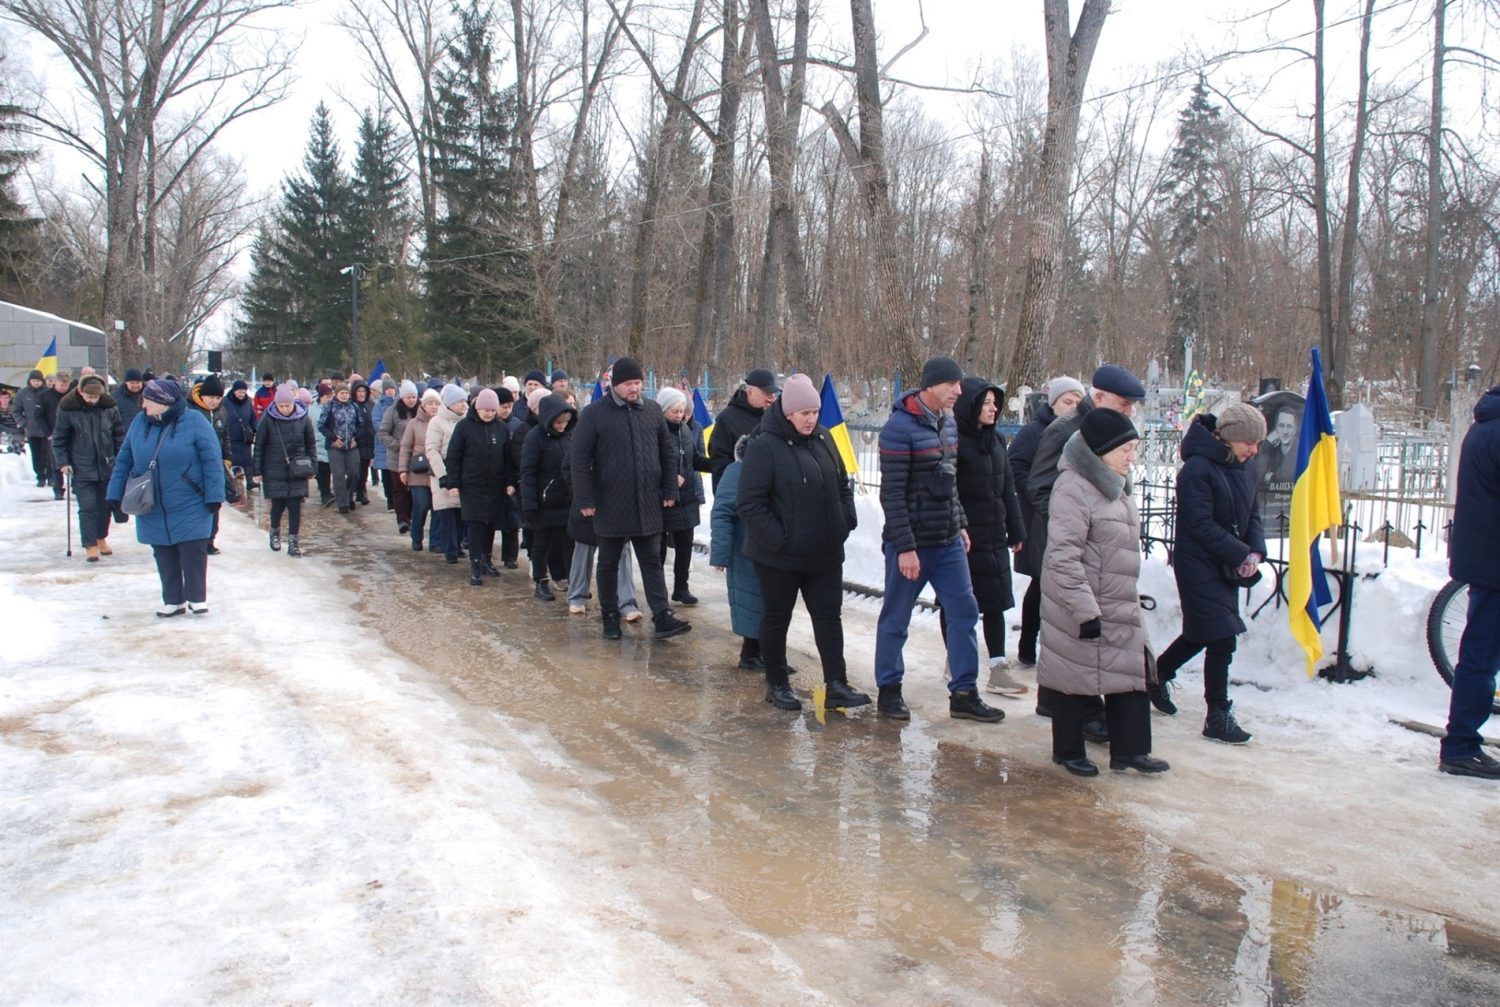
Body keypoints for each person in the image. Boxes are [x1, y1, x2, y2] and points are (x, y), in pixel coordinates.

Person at [872, 356, 1004, 724]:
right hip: (912, 544)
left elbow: (949, 480)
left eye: (960, 384)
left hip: (947, 542)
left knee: (964, 612)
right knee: (896, 617)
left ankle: (964, 693)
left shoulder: (948, 423)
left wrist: (959, 523)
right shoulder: (898, 429)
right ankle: (889, 689)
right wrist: (905, 548)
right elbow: (891, 494)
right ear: (931, 385)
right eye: (952, 384)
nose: (959, 391)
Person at [1040, 408, 1167, 777]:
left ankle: (1132, 750)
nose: (1132, 457)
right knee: (1074, 676)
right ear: (1101, 450)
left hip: (1117, 597)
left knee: (1128, 672)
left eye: (1134, 449)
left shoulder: (1116, 484)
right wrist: (1084, 609)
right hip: (1081, 601)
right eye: (1126, 449)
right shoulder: (1073, 487)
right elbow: (1063, 556)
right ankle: (1067, 751)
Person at [1027, 364, 1147, 740]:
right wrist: (1078, 522)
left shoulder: (1116, 434)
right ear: (1100, 397)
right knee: (1071, 637)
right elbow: (1039, 484)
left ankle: (1085, 712)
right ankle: (1073, 712)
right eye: (1123, 403)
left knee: (1095, 641)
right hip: (1071, 542)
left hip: (1101, 548)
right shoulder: (1066, 430)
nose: (1129, 411)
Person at [738, 374, 869, 712]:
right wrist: (780, 541)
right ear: (788, 413)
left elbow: (842, 483)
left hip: (825, 552)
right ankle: (778, 685)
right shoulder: (764, 446)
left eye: (815, 412)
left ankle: (836, 684)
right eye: (804, 413)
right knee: (777, 619)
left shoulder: (824, 437)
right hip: (779, 558)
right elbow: (750, 504)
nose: (811, 419)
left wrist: (845, 520)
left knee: (828, 618)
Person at [1150, 405, 1268, 744]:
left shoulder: (1247, 467)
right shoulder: (1197, 469)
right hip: (1198, 563)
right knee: (1221, 636)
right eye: (1248, 442)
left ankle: (1157, 674)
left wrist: (1254, 551)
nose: (1253, 450)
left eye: (1257, 443)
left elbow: (1252, 513)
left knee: (1203, 631)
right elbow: (1200, 525)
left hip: (1227, 563)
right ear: (1228, 438)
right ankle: (1217, 714)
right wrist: (1239, 552)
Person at [570, 356, 691, 640]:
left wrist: (670, 489)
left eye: (637, 382)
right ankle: (610, 617)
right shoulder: (594, 413)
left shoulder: (652, 410)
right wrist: (585, 499)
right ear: (615, 385)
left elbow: (667, 452)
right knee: (608, 563)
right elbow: (579, 458)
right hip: (610, 502)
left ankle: (662, 616)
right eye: (628, 384)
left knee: (651, 561)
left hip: (647, 501)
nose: (634, 388)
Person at [106, 378, 226, 617]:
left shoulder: (195, 421)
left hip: (189, 498)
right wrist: (115, 493)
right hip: (151, 499)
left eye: (148, 401)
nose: (143, 405)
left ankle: (197, 598)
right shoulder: (139, 423)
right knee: (162, 550)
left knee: (193, 548)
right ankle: (173, 600)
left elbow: (212, 460)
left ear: (164, 402)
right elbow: (124, 459)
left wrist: (215, 496)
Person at [950, 377, 1028, 696]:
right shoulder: (953, 440)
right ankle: (955, 658)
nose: (993, 408)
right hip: (964, 538)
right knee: (957, 604)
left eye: (995, 403)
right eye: (986, 403)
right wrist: (956, 526)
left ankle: (998, 668)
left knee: (996, 602)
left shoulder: (996, 441)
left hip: (994, 535)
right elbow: (948, 490)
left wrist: (1016, 527)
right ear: (969, 406)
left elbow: (1007, 488)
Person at [1440, 383, 1500, 779]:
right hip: (1493, 563)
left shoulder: (1486, 424)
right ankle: (1461, 746)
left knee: (1481, 655)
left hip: (1485, 557)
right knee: (1481, 658)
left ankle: (1462, 743)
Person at [1010, 377, 1085, 666]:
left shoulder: (1082, 431)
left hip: (1070, 516)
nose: (1073, 407)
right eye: (1067, 401)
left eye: (1078, 402)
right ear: (1053, 404)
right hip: (1039, 517)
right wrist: (1038, 492)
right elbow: (1014, 466)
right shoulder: (1035, 432)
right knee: (1043, 581)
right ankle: (1028, 645)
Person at [442, 387, 517, 586]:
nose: (489, 414)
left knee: (490, 523)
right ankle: (474, 564)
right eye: (486, 410)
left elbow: (508, 458)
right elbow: (454, 456)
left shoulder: (501, 428)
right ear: (477, 408)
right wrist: (453, 483)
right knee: (475, 524)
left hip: (495, 485)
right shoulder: (464, 427)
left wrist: (510, 481)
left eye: (492, 411)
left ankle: (486, 559)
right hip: (472, 485)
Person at [52, 373, 125, 561]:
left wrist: (121, 459)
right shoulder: (68, 408)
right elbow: (59, 439)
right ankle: (90, 544)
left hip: (106, 464)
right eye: (89, 397)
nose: (92, 400)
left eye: (96, 397)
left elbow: (118, 435)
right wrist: (63, 462)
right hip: (81, 466)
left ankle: (101, 537)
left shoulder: (109, 407)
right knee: (88, 507)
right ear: (80, 392)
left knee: (105, 506)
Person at [711, 434, 767, 671]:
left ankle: (768, 654)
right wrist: (720, 553)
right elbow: (722, 512)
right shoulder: (736, 472)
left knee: (768, 603)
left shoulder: (767, 471)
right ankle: (750, 654)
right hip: (744, 550)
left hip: (767, 548)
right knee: (751, 602)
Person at [655, 386, 710, 606]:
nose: (680, 416)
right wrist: (667, 479)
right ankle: (658, 592)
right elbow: (649, 464)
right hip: (663, 498)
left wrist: (716, 464)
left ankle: (681, 587)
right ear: (663, 410)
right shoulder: (655, 432)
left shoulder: (685, 430)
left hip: (686, 497)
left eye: (682, 411)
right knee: (658, 549)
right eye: (675, 411)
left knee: (684, 545)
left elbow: (694, 459)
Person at [520, 392, 578, 600]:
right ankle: (540, 581)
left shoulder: (569, 436)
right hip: (543, 502)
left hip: (566, 500)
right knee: (542, 544)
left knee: (568, 544)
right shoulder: (534, 438)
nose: (562, 426)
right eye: (558, 422)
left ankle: (569, 579)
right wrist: (529, 504)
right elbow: (528, 472)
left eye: (565, 422)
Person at [253, 382, 316, 557]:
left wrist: (313, 466)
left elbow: (311, 444)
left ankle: (294, 541)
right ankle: (275, 532)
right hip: (273, 467)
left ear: (293, 403)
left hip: (298, 468)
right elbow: (259, 446)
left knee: (295, 506)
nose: (285, 409)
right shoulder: (268, 419)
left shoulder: (303, 418)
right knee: (278, 504)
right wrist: (257, 470)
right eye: (281, 406)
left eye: (288, 405)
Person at [707, 367, 777, 490]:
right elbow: (719, 464)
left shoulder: (775, 417)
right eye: (766, 393)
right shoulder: (727, 419)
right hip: (741, 490)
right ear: (750, 393)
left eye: (773, 393)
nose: (771, 397)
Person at [188, 374, 233, 554]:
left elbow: (226, 436)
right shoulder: (191, 411)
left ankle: (210, 540)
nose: (214, 401)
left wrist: (228, 457)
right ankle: (196, 538)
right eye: (211, 397)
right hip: (194, 464)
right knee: (197, 502)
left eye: (218, 397)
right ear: (202, 396)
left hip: (216, 464)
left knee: (214, 501)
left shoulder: (223, 412)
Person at [425, 384, 469, 563]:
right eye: (459, 401)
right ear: (449, 403)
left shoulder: (467, 421)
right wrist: (443, 475)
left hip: (463, 471)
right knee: (447, 512)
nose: (463, 404)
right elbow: (432, 449)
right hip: (442, 471)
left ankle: (457, 545)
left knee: (461, 512)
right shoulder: (436, 422)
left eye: (464, 401)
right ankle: (449, 549)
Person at [399, 388, 442, 551]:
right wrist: (403, 469)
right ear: (423, 405)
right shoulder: (413, 424)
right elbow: (405, 447)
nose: (433, 406)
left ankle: (436, 541)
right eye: (430, 403)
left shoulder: (442, 422)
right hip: (418, 472)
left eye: (437, 403)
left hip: (437, 471)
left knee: (438, 507)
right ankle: (416, 536)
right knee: (422, 505)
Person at [378, 380, 419, 533]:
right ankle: (402, 519)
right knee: (400, 489)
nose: (411, 400)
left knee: (414, 489)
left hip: (416, 457)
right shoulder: (392, 411)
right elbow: (383, 433)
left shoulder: (421, 411)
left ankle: (412, 517)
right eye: (408, 397)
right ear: (402, 397)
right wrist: (399, 446)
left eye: (414, 397)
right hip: (397, 457)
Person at [320, 383, 362, 514]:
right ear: (336, 394)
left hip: (351, 445)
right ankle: (342, 503)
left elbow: (361, 424)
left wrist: (356, 438)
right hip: (335, 446)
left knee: (354, 473)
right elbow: (321, 425)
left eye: (346, 393)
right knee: (338, 475)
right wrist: (333, 437)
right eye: (341, 393)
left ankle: (349, 496)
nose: (344, 395)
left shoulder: (354, 407)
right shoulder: (330, 406)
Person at [14, 369, 56, 490]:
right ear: (29, 381)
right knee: (36, 455)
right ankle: (40, 476)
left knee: (49, 454)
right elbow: (16, 410)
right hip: (32, 430)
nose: (36, 383)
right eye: (33, 381)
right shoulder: (23, 393)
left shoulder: (48, 392)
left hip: (47, 429)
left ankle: (51, 476)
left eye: (38, 381)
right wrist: (24, 423)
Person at [371, 376, 399, 511]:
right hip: (383, 443)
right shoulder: (379, 405)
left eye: (392, 388)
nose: (390, 391)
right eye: (387, 389)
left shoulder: (400, 403)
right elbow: (376, 422)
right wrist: (386, 431)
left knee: (397, 475)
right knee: (386, 475)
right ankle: (390, 501)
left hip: (397, 442)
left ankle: (398, 501)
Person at [225, 380, 258, 489]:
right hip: (231, 436)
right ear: (234, 391)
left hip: (245, 436)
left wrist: (254, 429)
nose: (241, 394)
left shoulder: (248, 401)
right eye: (239, 392)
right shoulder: (226, 402)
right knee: (232, 460)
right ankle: (233, 483)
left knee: (247, 460)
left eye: (243, 392)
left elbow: (253, 416)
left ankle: (250, 481)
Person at [351, 380, 377, 504]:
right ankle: (356, 491)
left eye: (363, 391)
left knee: (364, 469)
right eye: (359, 391)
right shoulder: (351, 405)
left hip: (369, 441)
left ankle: (361, 492)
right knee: (356, 470)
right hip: (356, 442)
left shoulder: (370, 405)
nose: (361, 394)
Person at [308, 383, 334, 506]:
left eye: (330, 396)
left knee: (330, 469)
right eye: (326, 397)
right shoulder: (312, 411)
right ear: (321, 396)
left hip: (331, 442)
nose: (329, 399)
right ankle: (325, 495)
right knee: (322, 471)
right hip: (317, 443)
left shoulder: (334, 408)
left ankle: (329, 492)